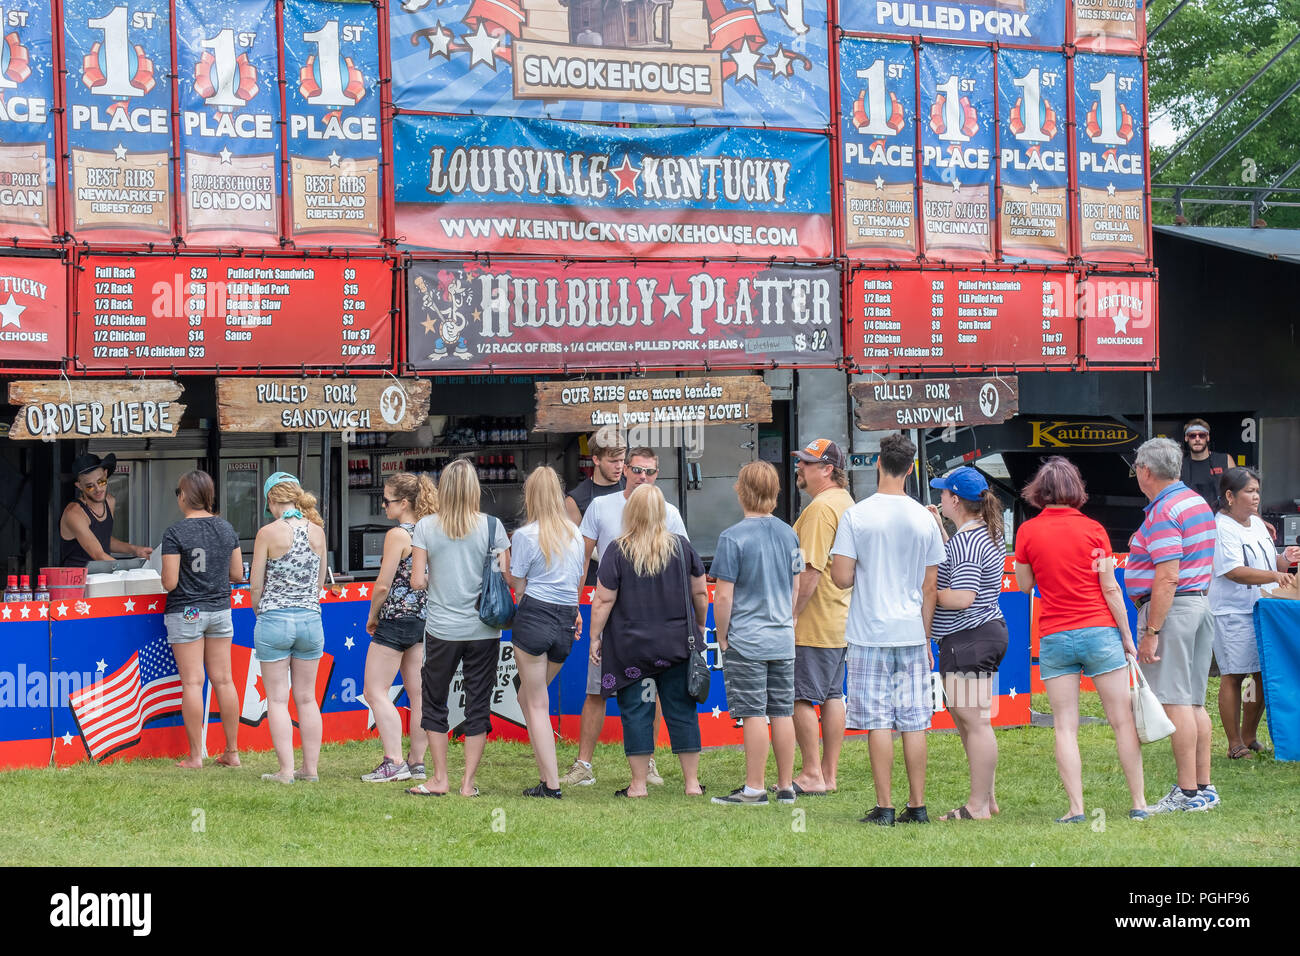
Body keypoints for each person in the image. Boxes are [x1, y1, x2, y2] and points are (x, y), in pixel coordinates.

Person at [1014, 456, 1149, 821]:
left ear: (1040, 491)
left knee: (1064, 726)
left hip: (1055, 635)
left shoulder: (1027, 532)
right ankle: (1138, 803)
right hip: (1100, 630)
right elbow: (1110, 588)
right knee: (1122, 720)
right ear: (1076, 489)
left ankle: (1076, 809)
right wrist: (1127, 636)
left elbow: (1025, 586)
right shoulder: (1094, 530)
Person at [829, 433, 944, 826]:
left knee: (879, 721)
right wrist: (926, 635)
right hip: (911, 630)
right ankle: (918, 804)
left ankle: (885, 807)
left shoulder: (856, 515)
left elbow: (841, 578)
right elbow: (931, 586)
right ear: (910, 469)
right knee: (914, 721)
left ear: (879, 463)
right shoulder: (924, 518)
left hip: (868, 633)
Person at [560, 446, 687, 789]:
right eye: (637, 470)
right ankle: (583, 764)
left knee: (653, 690)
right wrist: (575, 605)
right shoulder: (601, 506)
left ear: (657, 475)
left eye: (650, 472)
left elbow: (685, 569)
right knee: (597, 689)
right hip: (610, 614)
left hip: (653, 621)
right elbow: (581, 559)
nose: (643, 477)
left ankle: (648, 763)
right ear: (625, 471)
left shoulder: (669, 512)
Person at [588, 484, 707, 798]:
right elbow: (700, 592)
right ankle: (692, 784)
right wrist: (700, 626)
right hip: (678, 645)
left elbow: (602, 600)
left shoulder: (617, 549)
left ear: (632, 512)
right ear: (661, 513)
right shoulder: (682, 547)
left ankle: (638, 785)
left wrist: (594, 636)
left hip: (631, 650)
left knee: (637, 712)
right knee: (682, 711)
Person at [408, 458, 510, 798]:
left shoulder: (425, 527)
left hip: (441, 629)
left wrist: (440, 576)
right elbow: (504, 578)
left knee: (434, 701)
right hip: (484, 630)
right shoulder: (493, 527)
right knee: (478, 704)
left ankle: (440, 778)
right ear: (475, 489)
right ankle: (468, 783)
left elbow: (417, 582)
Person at [1127, 437, 1219, 813]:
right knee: (1194, 701)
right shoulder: (1196, 502)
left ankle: (1187, 793)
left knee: (1177, 701)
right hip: (1198, 605)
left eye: (1136, 468)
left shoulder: (1164, 510)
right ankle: (1202, 786)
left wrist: (1152, 631)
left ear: (1145, 471)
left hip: (1173, 609)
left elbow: (1166, 576)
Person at [710, 461, 803, 806]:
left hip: (747, 638)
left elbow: (723, 595)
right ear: (776, 493)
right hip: (781, 636)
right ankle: (786, 787)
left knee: (753, 712)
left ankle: (754, 787)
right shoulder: (790, 533)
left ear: (741, 490)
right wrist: (789, 619)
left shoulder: (731, 537)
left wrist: (722, 635)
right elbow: (796, 584)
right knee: (781, 711)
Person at [925, 467, 1008, 821]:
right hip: (982, 634)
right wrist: (944, 535)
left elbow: (962, 596)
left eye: (944, 493)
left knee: (974, 723)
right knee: (971, 721)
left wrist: (928, 593)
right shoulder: (985, 534)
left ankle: (978, 806)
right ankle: (984, 799)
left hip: (968, 635)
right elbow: (962, 566)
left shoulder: (966, 541)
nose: (940, 498)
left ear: (955, 500)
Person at [1209, 467, 1299, 759]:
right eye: (1249, 491)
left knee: (1262, 674)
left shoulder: (1256, 524)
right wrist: (1274, 575)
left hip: (1262, 609)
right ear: (1230, 496)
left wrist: (1283, 560)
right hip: (1232, 612)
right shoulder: (1221, 527)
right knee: (1234, 676)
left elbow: (1265, 561)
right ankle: (1234, 743)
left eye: (1258, 490)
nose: (1256, 496)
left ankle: (1249, 736)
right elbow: (1234, 571)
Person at [507, 466, 586, 798]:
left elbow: (519, 584)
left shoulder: (525, 536)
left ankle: (551, 784)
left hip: (535, 615)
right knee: (528, 696)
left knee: (535, 702)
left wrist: (503, 564)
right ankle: (545, 776)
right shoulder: (575, 533)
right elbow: (577, 580)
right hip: (566, 618)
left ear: (529, 496)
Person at [161, 470, 244, 770]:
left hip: (187, 611)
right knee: (224, 680)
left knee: (193, 682)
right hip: (221, 610)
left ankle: (197, 756)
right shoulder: (226, 528)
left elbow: (169, 583)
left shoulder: (175, 533)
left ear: (184, 495)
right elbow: (238, 575)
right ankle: (232, 752)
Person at [361, 472, 439, 783]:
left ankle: (393, 760)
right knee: (417, 694)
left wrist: (372, 615)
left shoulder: (398, 535)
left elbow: (382, 585)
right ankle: (416, 762)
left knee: (375, 690)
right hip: (422, 618)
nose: (383, 505)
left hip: (395, 618)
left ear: (404, 502)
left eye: (387, 500)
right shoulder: (431, 530)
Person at [250, 473, 327, 784]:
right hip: (311, 619)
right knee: (307, 699)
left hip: (274, 620)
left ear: (271, 501)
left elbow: (256, 585)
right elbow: (320, 582)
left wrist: (260, 611)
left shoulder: (267, 533)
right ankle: (310, 770)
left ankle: (285, 771)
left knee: (278, 699)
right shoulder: (318, 532)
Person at [790, 439, 854, 795]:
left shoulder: (819, 509)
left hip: (814, 619)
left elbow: (810, 571)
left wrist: (792, 614)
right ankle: (828, 775)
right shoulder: (845, 502)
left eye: (807, 464)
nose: (800, 468)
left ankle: (812, 774)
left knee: (799, 697)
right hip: (839, 616)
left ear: (827, 469)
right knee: (832, 696)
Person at [59, 452, 151, 567]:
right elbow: (98, 554)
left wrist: (135, 549)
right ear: (79, 486)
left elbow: (105, 540)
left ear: (106, 474)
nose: (98, 489)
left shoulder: (109, 501)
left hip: (101, 574)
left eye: (101, 481)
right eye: (90, 486)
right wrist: (127, 572)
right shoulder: (74, 513)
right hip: (76, 579)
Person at [564, 431, 626, 585]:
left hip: (630, 577)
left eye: (622, 460)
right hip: (593, 582)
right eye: (613, 461)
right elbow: (575, 547)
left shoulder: (632, 488)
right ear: (596, 459)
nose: (619, 466)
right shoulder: (575, 499)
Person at [1180, 419, 1233, 511]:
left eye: (1201, 435)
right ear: (1186, 438)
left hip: (1221, 517)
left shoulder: (1225, 459)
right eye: (1192, 436)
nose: (1197, 439)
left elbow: (1239, 490)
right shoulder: (1179, 465)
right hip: (1190, 518)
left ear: (1207, 437)